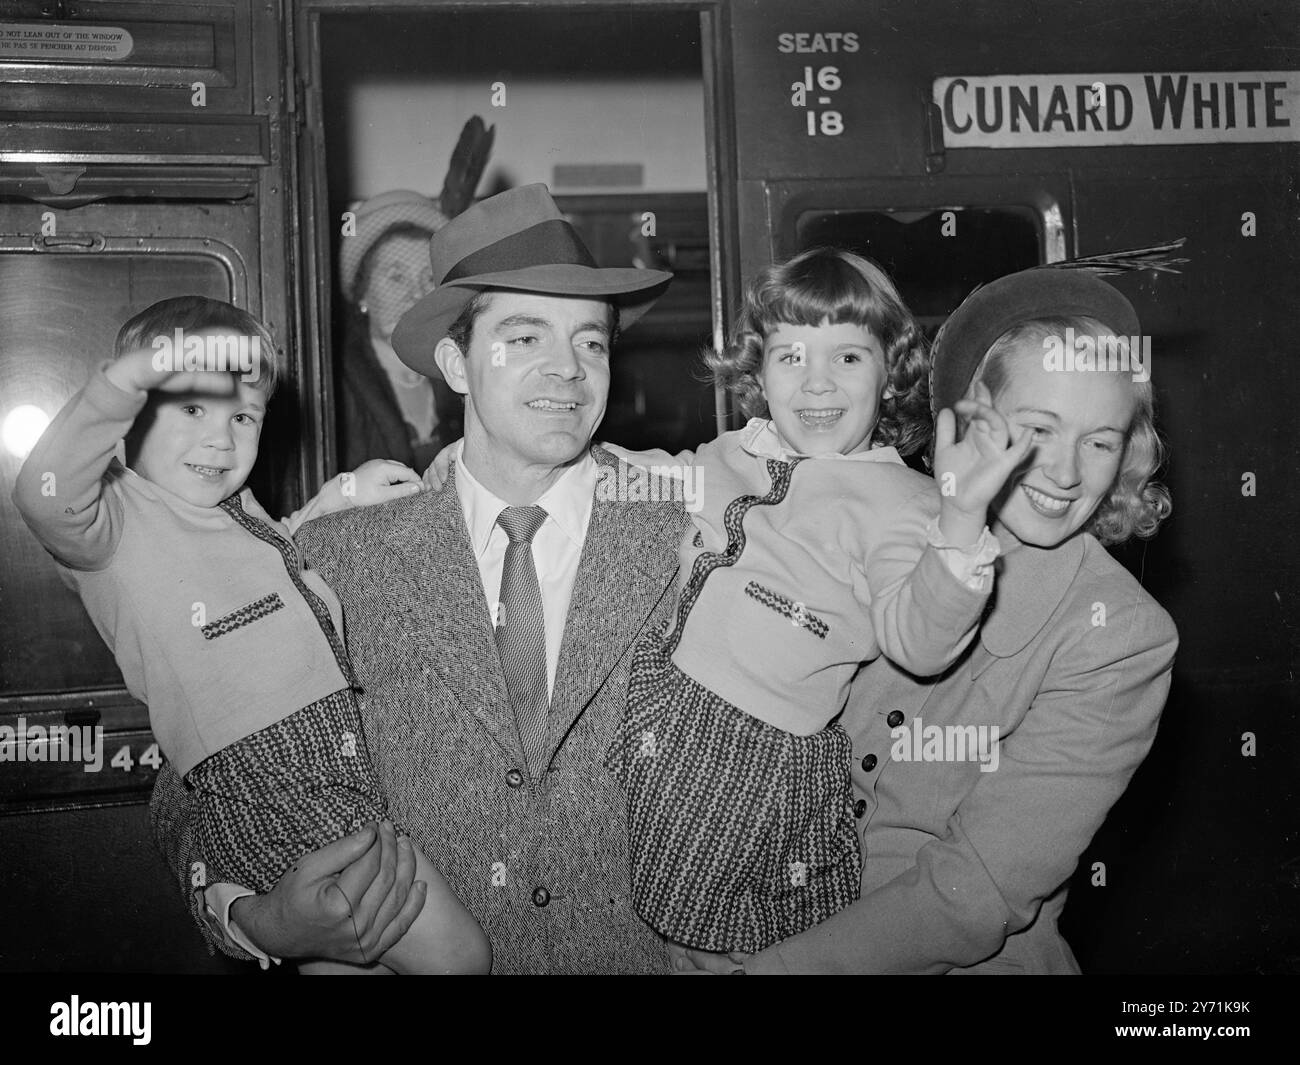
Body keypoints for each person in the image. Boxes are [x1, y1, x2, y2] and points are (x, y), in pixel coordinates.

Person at [148, 184, 681, 973]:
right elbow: (190, 785)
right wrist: (258, 920)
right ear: (455, 363)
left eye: (592, 342)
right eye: (525, 335)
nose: (568, 370)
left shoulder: (687, 547)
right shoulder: (339, 560)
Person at [674, 261, 1179, 973]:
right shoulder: (874, 512)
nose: (1067, 474)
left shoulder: (1121, 637)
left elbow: (971, 892)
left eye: (1100, 441)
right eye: (1039, 429)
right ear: (972, 421)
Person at [12, 295, 489, 974]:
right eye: (191, 408)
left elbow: (268, 572)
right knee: (462, 956)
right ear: (131, 412)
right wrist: (126, 376)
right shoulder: (116, 523)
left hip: (331, 769)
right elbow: (43, 492)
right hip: (275, 780)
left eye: (242, 415)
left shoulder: (234, 511)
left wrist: (337, 499)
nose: (220, 438)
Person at [602, 247, 1033, 954]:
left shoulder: (902, 502)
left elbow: (918, 639)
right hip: (663, 711)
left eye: (848, 358)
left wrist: (960, 524)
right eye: (792, 357)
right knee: (628, 911)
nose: (817, 382)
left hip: (755, 760)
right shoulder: (729, 454)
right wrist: (548, 466)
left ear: (891, 373)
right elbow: (651, 477)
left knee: (713, 939)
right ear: (759, 373)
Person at [336, 190, 463, 471]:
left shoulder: (460, 365)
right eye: (397, 277)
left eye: (428, 278)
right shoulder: (337, 380)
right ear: (362, 291)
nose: (415, 294)